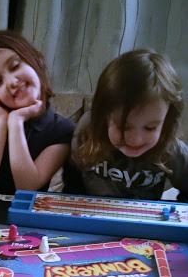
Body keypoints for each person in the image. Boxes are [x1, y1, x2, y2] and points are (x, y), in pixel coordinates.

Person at [0, 30, 75, 194]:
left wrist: (16, 123)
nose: (12, 82)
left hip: (24, 214)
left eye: (15, 66)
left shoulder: (62, 129)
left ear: (34, 60)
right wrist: (1, 122)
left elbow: (27, 188)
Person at [63, 49, 188, 201]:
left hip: (142, 220)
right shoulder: (88, 128)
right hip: (90, 214)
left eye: (150, 128)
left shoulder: (171, 147)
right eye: (123, 127)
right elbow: (72, 179)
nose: (135, 140)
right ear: (104, 115)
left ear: (166, 121)